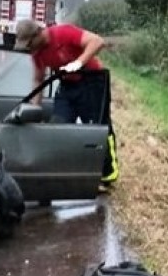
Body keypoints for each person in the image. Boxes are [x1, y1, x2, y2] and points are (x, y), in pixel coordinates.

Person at [12, 19, 120, 192]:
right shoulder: (37, 53)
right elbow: (38, 79)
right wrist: (35, 109)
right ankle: (59, 172)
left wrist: (78, 63)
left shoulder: (63, 33)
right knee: (57, 125)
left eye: (29, 43)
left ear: (38, 33)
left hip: (92, 82)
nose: (29, 48)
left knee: (97, 127)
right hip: (67, 86)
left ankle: (108, 173)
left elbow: (98, 41)